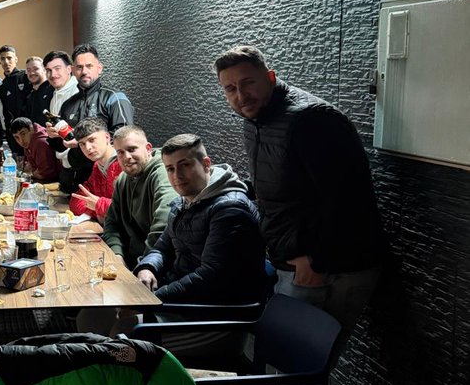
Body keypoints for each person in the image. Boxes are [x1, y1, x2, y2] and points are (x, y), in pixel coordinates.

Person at [215, 45, 386, 328]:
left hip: (328, 268)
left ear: (270, 77)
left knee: (292, 356)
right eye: (230, 89)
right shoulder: (256, 119)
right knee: (281, 351)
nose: (241, 96)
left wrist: (315, 261)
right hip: (293, 261)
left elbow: (349, 200)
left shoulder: (313, 120)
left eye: (247, 83)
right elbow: (284, 184)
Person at [135, 133, 265, 306]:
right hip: (183, 295)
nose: (177, 175)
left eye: (185, 165)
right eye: (170, 169)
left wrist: (153, 299)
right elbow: (162, 248)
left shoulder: (230, 209)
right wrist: (147, 268)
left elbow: (211, 277)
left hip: (216, 308)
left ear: (206, 164)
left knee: (123, 317)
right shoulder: (183, 202)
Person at [48, 43, 134, 193]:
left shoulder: (114, 97)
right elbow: (62, 146)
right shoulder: (68, 105)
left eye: (89, 66)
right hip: (74, 179)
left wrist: (82, 143)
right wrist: (53, 136)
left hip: (106, 180)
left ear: (99, 68)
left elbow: (125, 137)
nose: (84, 71)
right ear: (73, 70)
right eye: (79, 67)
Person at [102, 125, 177, 269]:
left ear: (148, 148)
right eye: (120, 152)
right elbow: (111, 222)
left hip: (156, 265)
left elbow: (163, 226)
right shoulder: (123, 179)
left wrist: (143, 266)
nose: (127, 157)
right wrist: (116, 254)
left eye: (132, 149)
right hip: (128, 261)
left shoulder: (163, 173)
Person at [68, 117, 121, 222]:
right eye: (82, 144)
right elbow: (76, 202)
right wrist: (99, 211)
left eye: (92, 140)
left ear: (107, 137)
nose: (88, 148)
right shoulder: (97, 166)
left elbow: (130, 209)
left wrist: (98, 205)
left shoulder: (125, 164)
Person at [10, 117, 60, 182]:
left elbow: (47, 174)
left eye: (23, 134)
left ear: (31, 129)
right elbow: (29, 168)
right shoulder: (29, 141)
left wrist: (32, 174)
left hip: (56, 182)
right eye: (16, 137)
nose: (21, 141)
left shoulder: (40, 142)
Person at [0, 44, 26, 153]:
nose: (6, 62)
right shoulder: (2, 86)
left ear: (16, 59)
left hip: (29, 132)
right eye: (3, 59)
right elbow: (4, 113)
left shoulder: (25, 77)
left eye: (9, 58)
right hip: (14, 136)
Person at [42, 49, 78, 119]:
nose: (53, 75)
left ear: (69, 69)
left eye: (57, 68)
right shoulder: (54, 97)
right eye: (49, 70)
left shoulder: (78, 91)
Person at [23, 56, 51, 126]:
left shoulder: (53, 90)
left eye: (36, 69)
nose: (32, 73)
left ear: (44, 69)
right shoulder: (30, 96)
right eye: (28, 70)